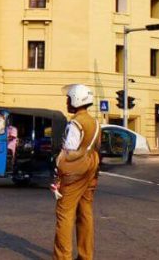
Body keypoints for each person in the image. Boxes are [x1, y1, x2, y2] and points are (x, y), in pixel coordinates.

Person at [53, 84, 101, 260]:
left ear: (76, 99)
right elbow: (97, 147)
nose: (67, 101)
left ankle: (62, 257)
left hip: (74, 171)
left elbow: (69, 151)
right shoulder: (95, 123)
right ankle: (85, 256)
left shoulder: (75, 123)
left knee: (64, 213)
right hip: (91, 168)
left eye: (69, 98)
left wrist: (59, 173)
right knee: (85, 212)